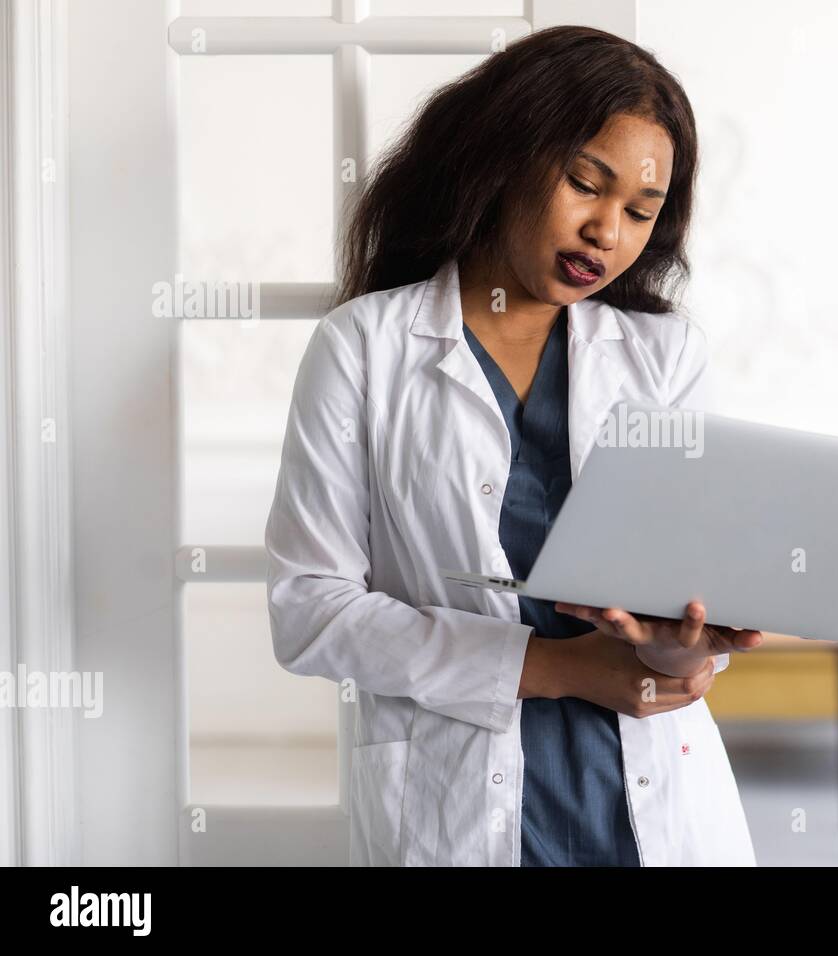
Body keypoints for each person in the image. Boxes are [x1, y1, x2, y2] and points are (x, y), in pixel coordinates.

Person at [265, 24, 761, 866]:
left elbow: (671, 596)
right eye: (585, 185)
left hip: (652, 800)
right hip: (455, 803)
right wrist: (556, 666)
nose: (608, 231)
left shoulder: (664, 356)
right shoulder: (366, 347)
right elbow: (309, 609)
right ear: (504, 158)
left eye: (640, 212)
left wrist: (680, 651)